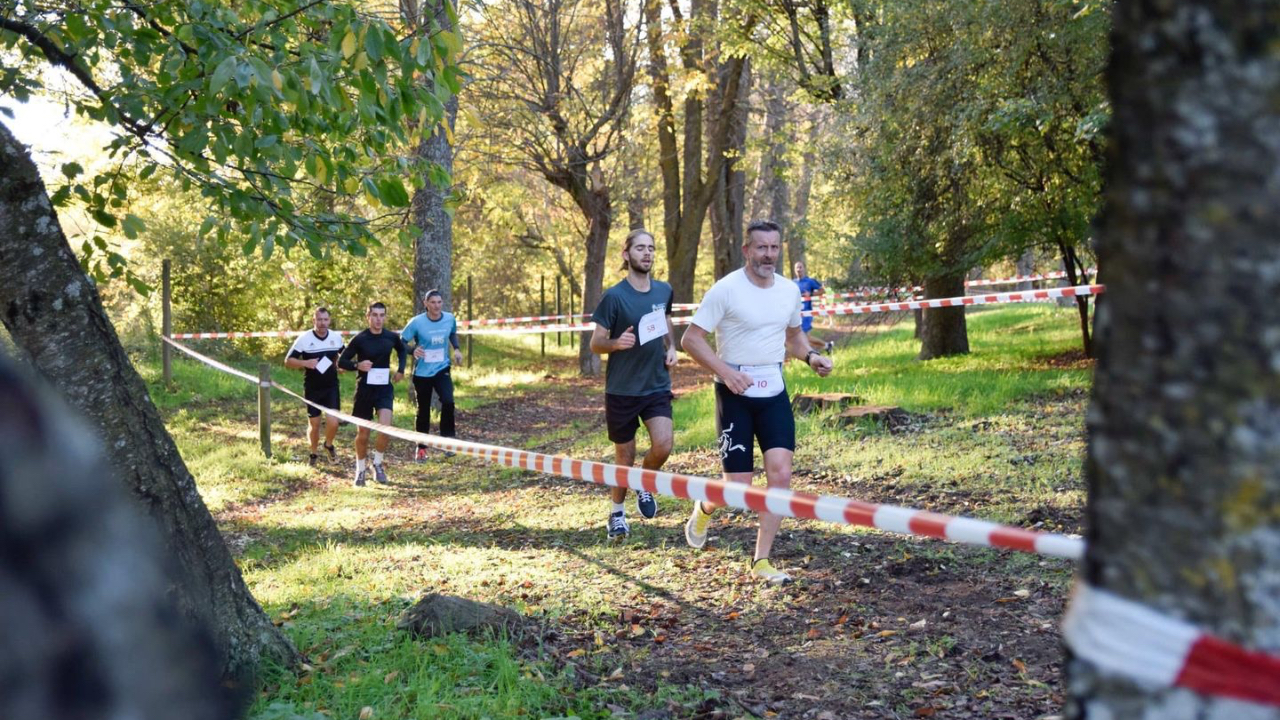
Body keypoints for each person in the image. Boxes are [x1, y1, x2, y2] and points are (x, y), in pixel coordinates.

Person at [681, 220, 834, 584]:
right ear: (747, 250)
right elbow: (691, 339)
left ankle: (761, 560)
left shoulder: (788, 291)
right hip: (733, 392)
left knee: (781, 473)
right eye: (761, 247)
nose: (769, 254)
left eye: (775, 247)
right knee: (738, 487)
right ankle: (705, 506)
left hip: (773, 390)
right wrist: (727, 373)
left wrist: (811, 358)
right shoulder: (726, 289)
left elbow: (794, 337)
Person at [590, 228, 678, 542]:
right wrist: (616, 343)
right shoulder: (614, 296)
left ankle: (645, 480)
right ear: (627, 255)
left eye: (651, 248)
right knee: (624, 459)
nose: (647, 253)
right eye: (640, 248)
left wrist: (671, 347)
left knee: (663, 445)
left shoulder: (664, 290)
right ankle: (616, 513)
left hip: (655, 383)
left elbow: (665, 319)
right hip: (622, 389)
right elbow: (596, 344)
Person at [338, 302, 406, 486]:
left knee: (385, 429)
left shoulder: (391, 336)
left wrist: (401, 369)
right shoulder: (360, 339)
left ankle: (377, 464)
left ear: (385, 317)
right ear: (368, 316)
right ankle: (360, 469)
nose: (378, 319)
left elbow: (402, 350)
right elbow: (341, 362)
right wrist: (356, 366)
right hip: (364, 390)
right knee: (364, 434)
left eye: (381, 315)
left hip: (384, 388)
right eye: (374, 315)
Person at [401, 289, 463, 461]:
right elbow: (401, 341)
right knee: (424, 410)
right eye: (433, 302)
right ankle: (421, 448)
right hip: (422, 373)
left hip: (442, 368)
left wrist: (456, 349)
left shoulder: (449, 318)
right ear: (426, 304)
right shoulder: (417, 322)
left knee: (448, 401)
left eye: (439, 302)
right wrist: (413, 350)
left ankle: (448, 441)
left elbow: (451, 333)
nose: (436, 306)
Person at [284, 307, 346, 466]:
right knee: (315, 424)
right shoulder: (304, 339)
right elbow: (288, 361)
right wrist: (305, 363)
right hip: (312, 388)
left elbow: (344, 357)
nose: (322, 323)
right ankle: (313, 453)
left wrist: (341, 365)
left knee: (334, 422)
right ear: (314, 320)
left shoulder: (336, 337)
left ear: (329, 321)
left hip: (331, 386)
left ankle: (329, 445)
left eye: (325, 320)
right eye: (319, 320)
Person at [793, 260, 834, 354]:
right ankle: (827, 346)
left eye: (800, 267)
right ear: (795, 270)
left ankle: (814, 352)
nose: (799, 269)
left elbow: (822, 291)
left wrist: (810, 294)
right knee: (799, 336)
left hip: (807, 313)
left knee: (805, 336)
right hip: (796, 313)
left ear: (804, 269)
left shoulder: (810, 281)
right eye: (797, 268)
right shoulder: (793, 283)